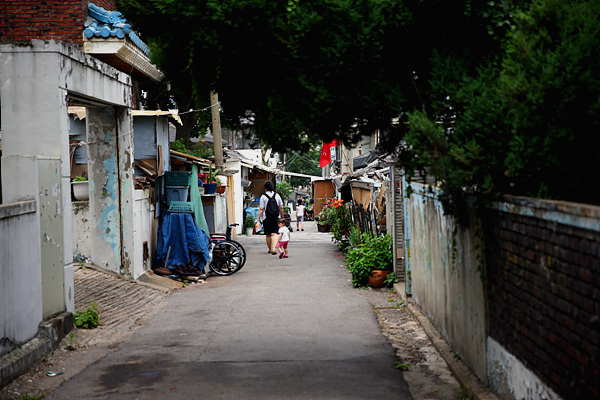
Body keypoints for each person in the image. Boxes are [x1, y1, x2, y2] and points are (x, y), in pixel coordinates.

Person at [256, 181, 284, 254]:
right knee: (275, 233)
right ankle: (274, 248)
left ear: (265, 188)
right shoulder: (277, 195)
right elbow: (281, 207)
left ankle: (270, 249)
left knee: (268, 234)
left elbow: (261, 209)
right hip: (276, 216)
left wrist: (258, 217)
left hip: (266, 217)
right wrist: (282, 215)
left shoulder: (263, 196)